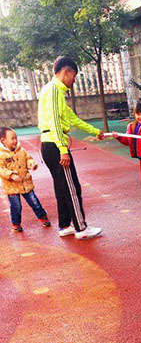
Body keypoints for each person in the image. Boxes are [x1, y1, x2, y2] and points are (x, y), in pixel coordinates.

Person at [37, 55, 104, 239]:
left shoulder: (55, 92)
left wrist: (95, 131)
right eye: (73, 76)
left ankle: (65, 225)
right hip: (55, 145)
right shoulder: (53, 90)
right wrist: (63, 149)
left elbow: (72, 119)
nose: (74, 81)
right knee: (72, 188)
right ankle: (81, 228)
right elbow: (55, 123)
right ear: (66, 72)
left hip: (50, 144)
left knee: (62, 188)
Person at [0, 126, 50, 233]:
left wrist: (32, 164)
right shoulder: (1, 154)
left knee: (34, 202)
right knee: (16, 206)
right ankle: (16, 224)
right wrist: (11, 175)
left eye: (16, 138)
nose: (15, 140)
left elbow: (28, 158)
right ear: (3, 140)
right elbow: (1, 169)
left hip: (25, 183)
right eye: (12, 138)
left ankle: (42, 217)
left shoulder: (21, 150)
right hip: (12, 187)